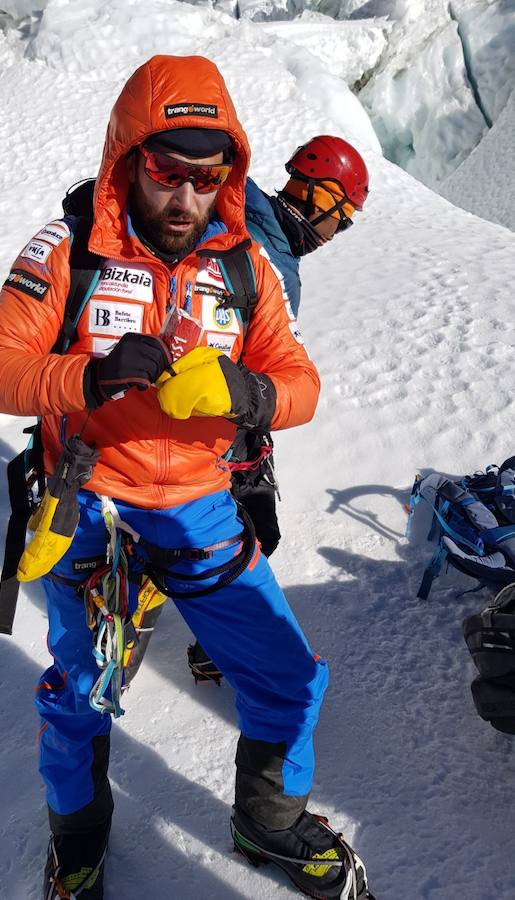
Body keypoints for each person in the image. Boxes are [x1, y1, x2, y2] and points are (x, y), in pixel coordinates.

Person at [0, 55, 372, 900]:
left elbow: (299, 382)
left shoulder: (244, 266)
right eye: (166, 172)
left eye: (206, 176)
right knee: (80, 695)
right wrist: (86, 376)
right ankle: (77, 842)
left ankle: (265, 821)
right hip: (91, 513)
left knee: (289, 677)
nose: (186, 197)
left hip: (202, 508)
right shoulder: (67, 250)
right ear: (128, 158)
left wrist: (249, 391)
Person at [189, 135, 369, 682]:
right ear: (325, 199)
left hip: (192, 404)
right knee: (251, 534)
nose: (337, 233)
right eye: (344, 218)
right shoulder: (268, 253)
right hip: (218, 422)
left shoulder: (244, 211)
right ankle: (219, 647)